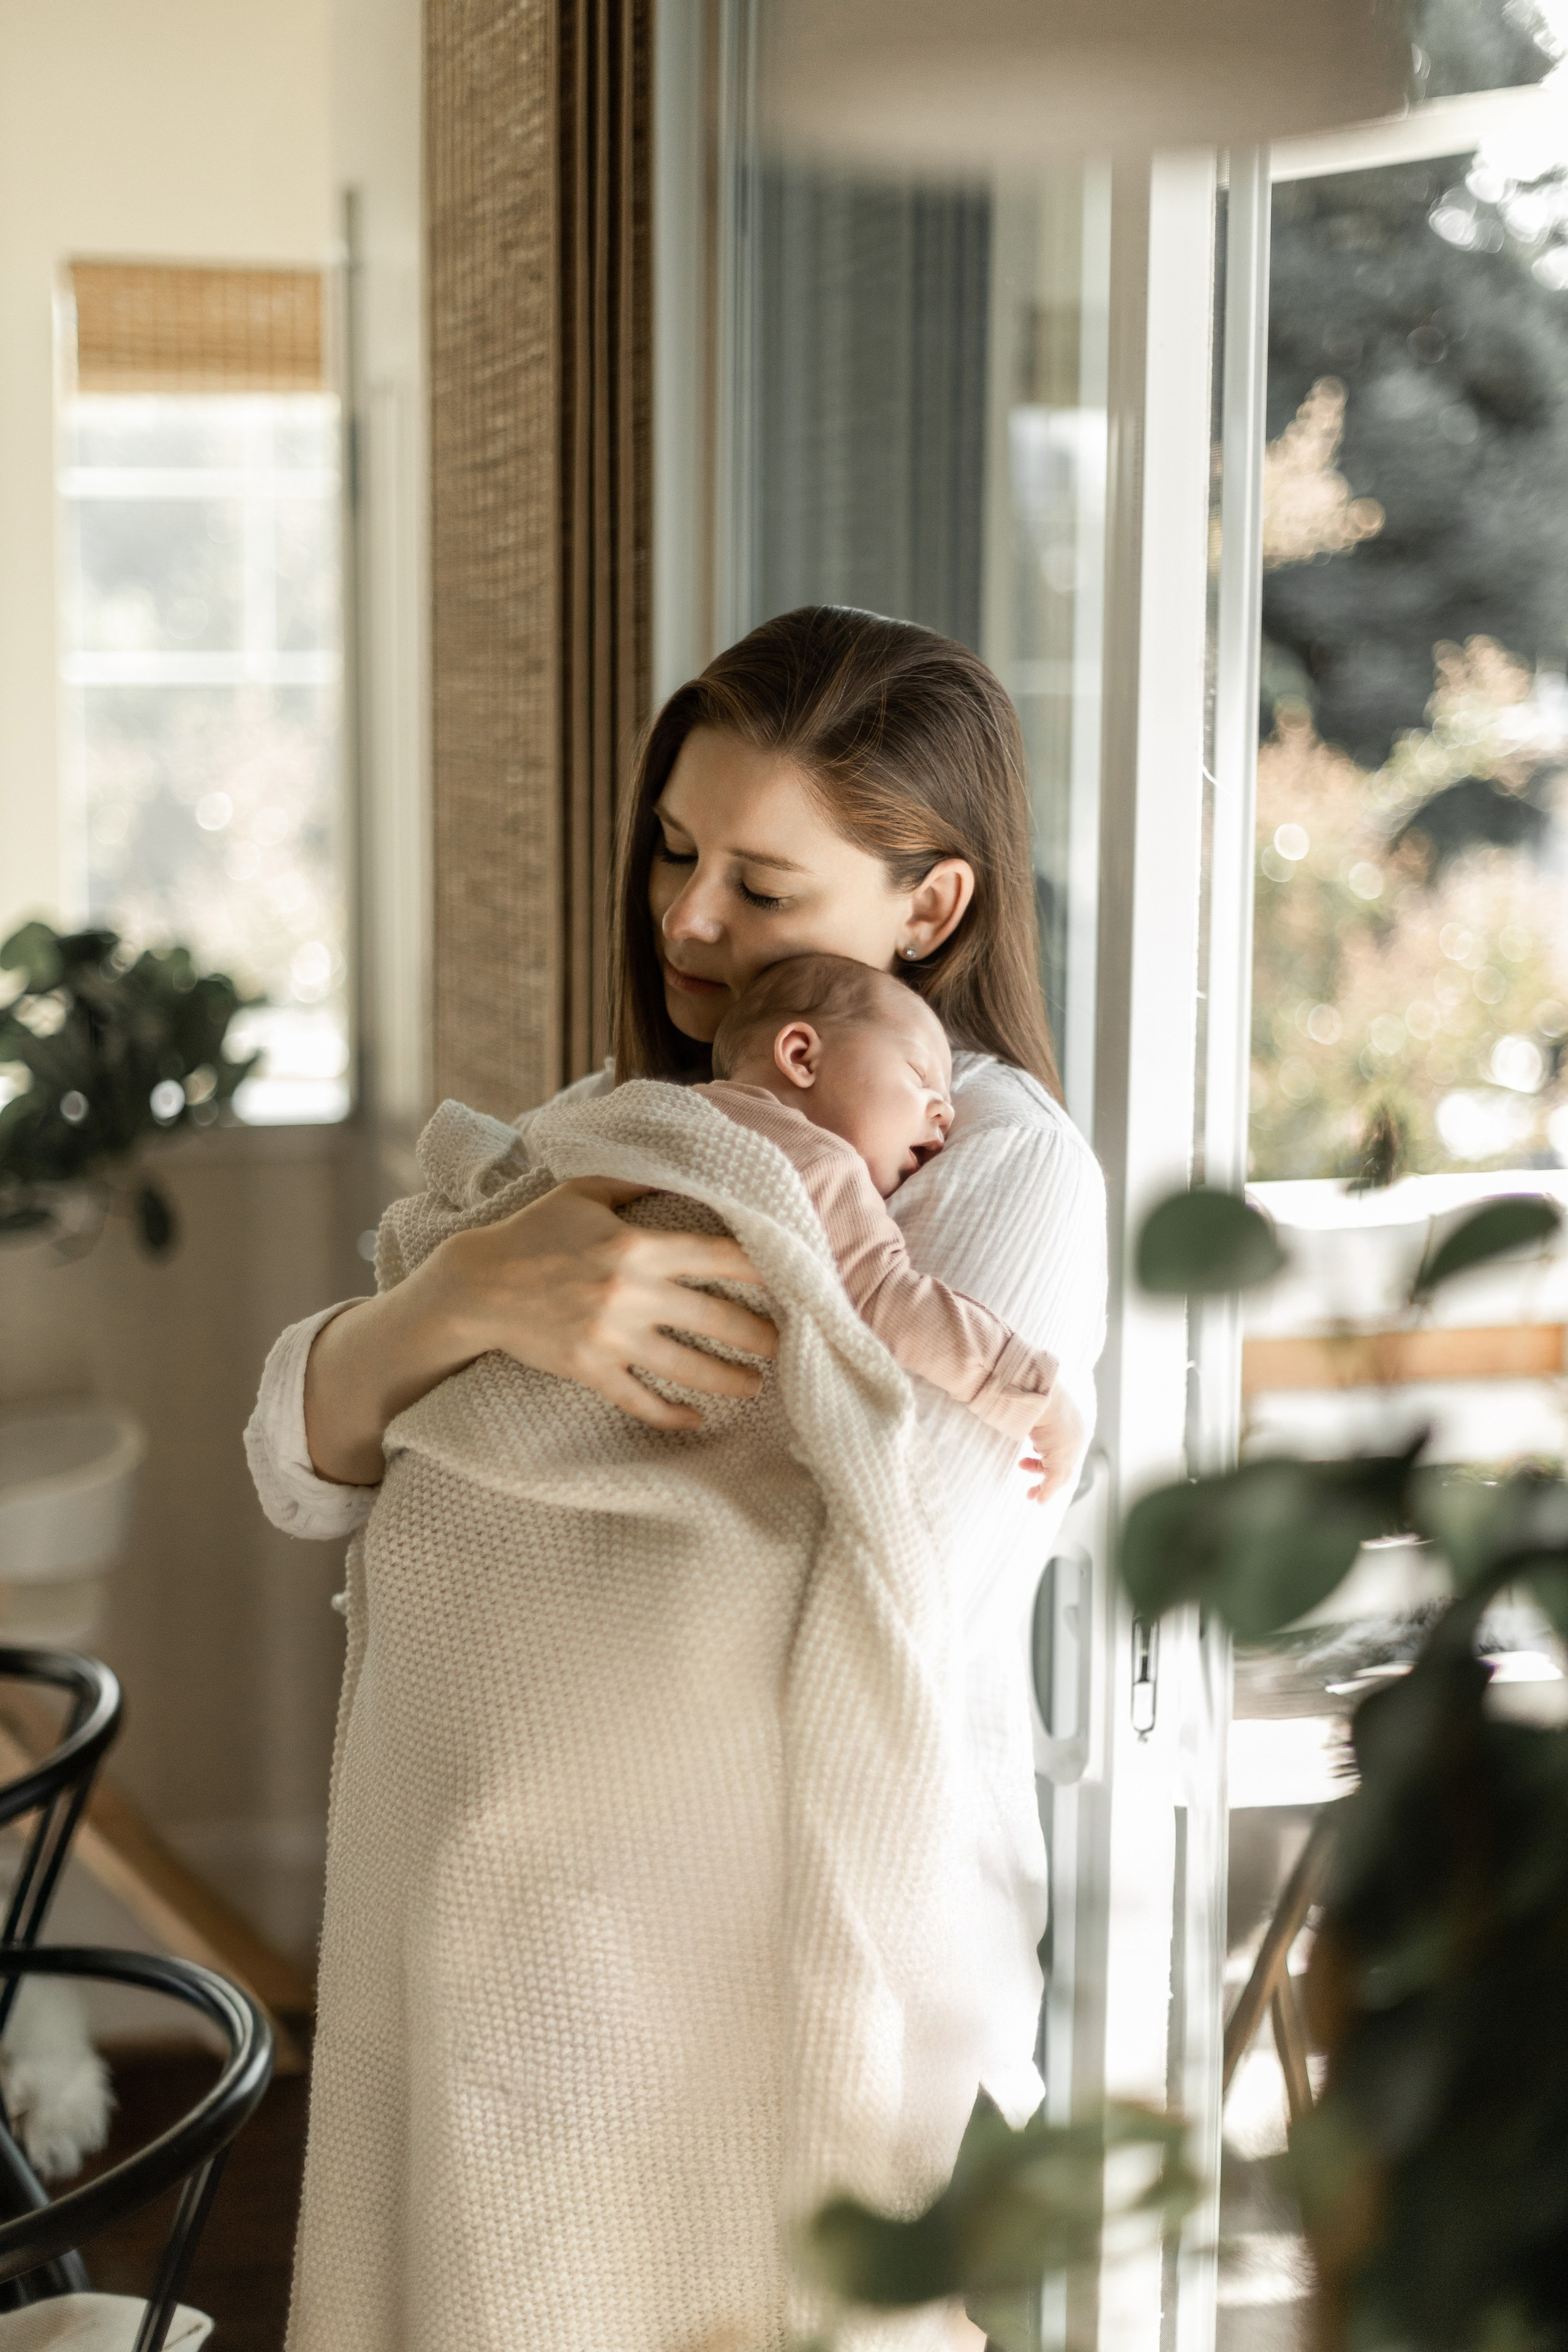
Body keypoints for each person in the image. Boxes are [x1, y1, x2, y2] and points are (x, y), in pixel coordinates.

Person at [246, 605, 1107, 2350]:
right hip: (510, 1945)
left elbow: (888, 1543)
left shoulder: (1004, 1173)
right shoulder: (638, 1131)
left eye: (760, 886)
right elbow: (296, 1464)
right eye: (672, 852)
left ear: (930, 907)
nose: (687, 919)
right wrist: (462, 1299)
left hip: (790, 1985)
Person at [698, 949, 1085, 1492]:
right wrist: (1031, 1393)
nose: (945, 1114)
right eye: (919, 1076)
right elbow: (883, 1294)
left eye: (946, 1099)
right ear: (802, 1054)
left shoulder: (674, 1111)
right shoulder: (816, 1161)